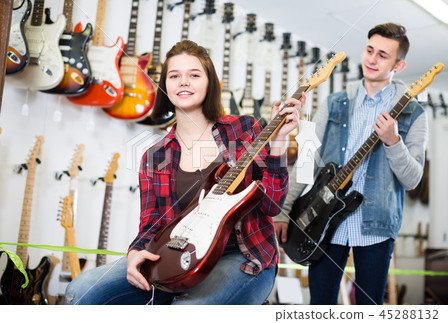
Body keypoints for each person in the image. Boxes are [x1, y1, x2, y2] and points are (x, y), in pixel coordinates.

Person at [65, 40, 305, 305]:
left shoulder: (244, 129)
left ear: (209, 82)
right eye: (174, 76)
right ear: (165, 85)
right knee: (82, 290)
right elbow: (151, 223)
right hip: (176, 257)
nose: (184, 82)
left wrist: (279, 140)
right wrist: (135, 252)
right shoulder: (154, 156)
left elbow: (271, 204)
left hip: (241, 255)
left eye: (194, 75)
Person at [274, 23, 428, 305]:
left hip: (376, 225)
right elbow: (307, 158)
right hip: (323, 220)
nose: (371, 59)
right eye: (370, 50)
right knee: (320, 306)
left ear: (399, 64)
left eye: (383, 55)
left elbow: (413, 180)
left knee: (370, 307)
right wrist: (284, 211)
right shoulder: (334, 102)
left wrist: (393, 141)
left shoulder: (413, 115)